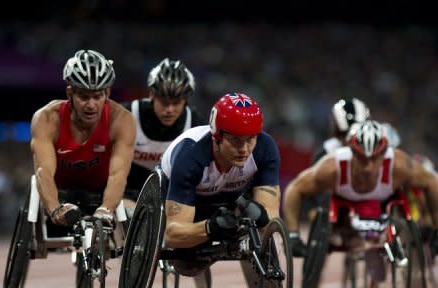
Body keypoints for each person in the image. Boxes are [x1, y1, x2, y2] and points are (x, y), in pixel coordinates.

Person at [283, 120, 438, 267]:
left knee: (413, 193)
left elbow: (431, 183)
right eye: (362, 159)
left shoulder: (399, 165)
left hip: (384, 204)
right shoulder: (332, 167)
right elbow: (295, 189)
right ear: (351, 153)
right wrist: (293, 235)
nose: (368, 167)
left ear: (385, 154)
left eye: (375, 159)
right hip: (345, 211)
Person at [160, 92, 281, 274]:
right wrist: (210, 227)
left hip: (232, 197)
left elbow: (272, 217)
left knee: (259, 215)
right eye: (235, 140)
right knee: (188, 267)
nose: (244, 149)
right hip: (191, 200)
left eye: (250, 139)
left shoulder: (265, 147)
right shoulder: (190, 158)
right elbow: (173, 235)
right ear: (217, 136)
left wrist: (260, 218)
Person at [30, 49, 136, 235]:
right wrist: (55, 209)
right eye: (84, 97)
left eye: (97, 96)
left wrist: (106, 209)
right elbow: (43, 171)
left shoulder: (121, 120)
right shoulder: (47, 118)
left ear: (107, 93)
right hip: (60, 192)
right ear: (70, 93)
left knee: (126, 215)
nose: (91, 105)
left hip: (100, 191)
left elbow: (118, 175)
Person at [122, 58, 207, 209]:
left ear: (185, 100)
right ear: (152, 95)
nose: (169, 109)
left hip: (169, 198)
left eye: (176, 103)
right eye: (164, 101)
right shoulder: (128, 114)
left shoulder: (195, 123)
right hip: (127, 195)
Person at [291, 97, 371, 257]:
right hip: (333, 204)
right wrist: (315, 209)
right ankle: (339, 228)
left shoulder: (373, 149)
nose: (348, 140)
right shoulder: (326, 151)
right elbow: (310, 185)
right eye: (344, 134)